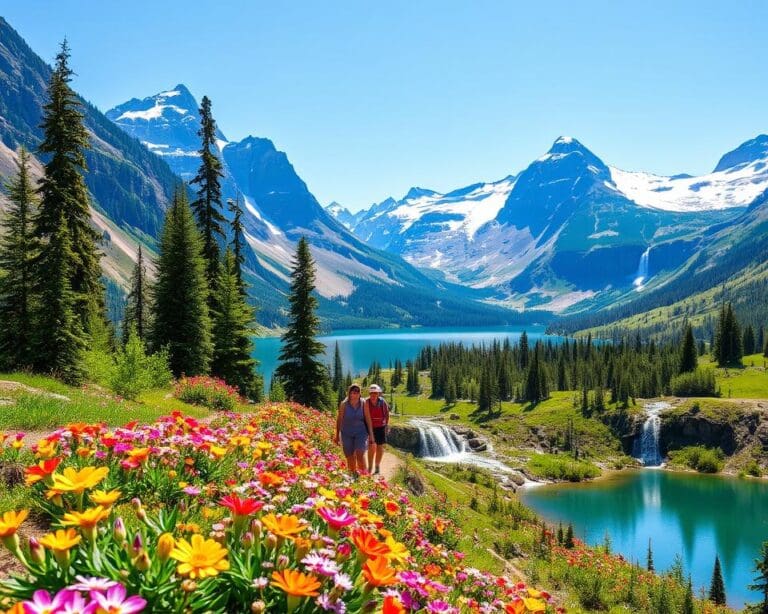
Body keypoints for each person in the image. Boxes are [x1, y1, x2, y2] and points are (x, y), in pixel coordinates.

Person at [334, 383, 374, 476]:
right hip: (347, 433)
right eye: (353, 391)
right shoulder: (344, 404)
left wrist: (371, 435)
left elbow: (368, 419)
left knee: (360, 454)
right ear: (349, 393)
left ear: (360, 393)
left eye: (357, 391)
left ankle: (365, 477)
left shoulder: (363, 403)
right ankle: (353, 475)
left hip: (361, 432)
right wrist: (337, 436)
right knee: (349, 456)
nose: (355, 393)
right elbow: (339, 419)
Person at [365, 384, 390, 475]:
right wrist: (370, 432)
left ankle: (377, 466)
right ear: (369, 393)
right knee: (371, 447)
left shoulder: (383, 402)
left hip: (381, 427)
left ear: (378, 393)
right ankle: (370, 467)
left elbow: (387, 414)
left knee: (380, 447)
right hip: (370, 426)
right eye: (372, 393)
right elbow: (367, 417)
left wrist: (387, 425)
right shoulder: (366, 402)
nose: (373, 395)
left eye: (375, 393)